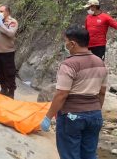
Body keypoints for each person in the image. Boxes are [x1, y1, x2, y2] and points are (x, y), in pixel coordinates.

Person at [41, 25, 108, 159]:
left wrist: (48, 117)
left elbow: (62, 94)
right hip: (95, 116)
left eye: (65, 41)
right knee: (89, 155)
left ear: (72, 44)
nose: (64, 44)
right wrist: (95, 110)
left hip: (72, 116)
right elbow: (102, 92)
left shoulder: (69, 64)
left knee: (70, 155)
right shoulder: (100, 62)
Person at [0, 5, 18, 99]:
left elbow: (11, 33)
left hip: (7, 51)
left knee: (9, 72)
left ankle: (11, 91)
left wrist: (1, 24)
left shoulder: (12, 22)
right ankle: (3, 88)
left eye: (1, 11)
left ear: (7, 12)